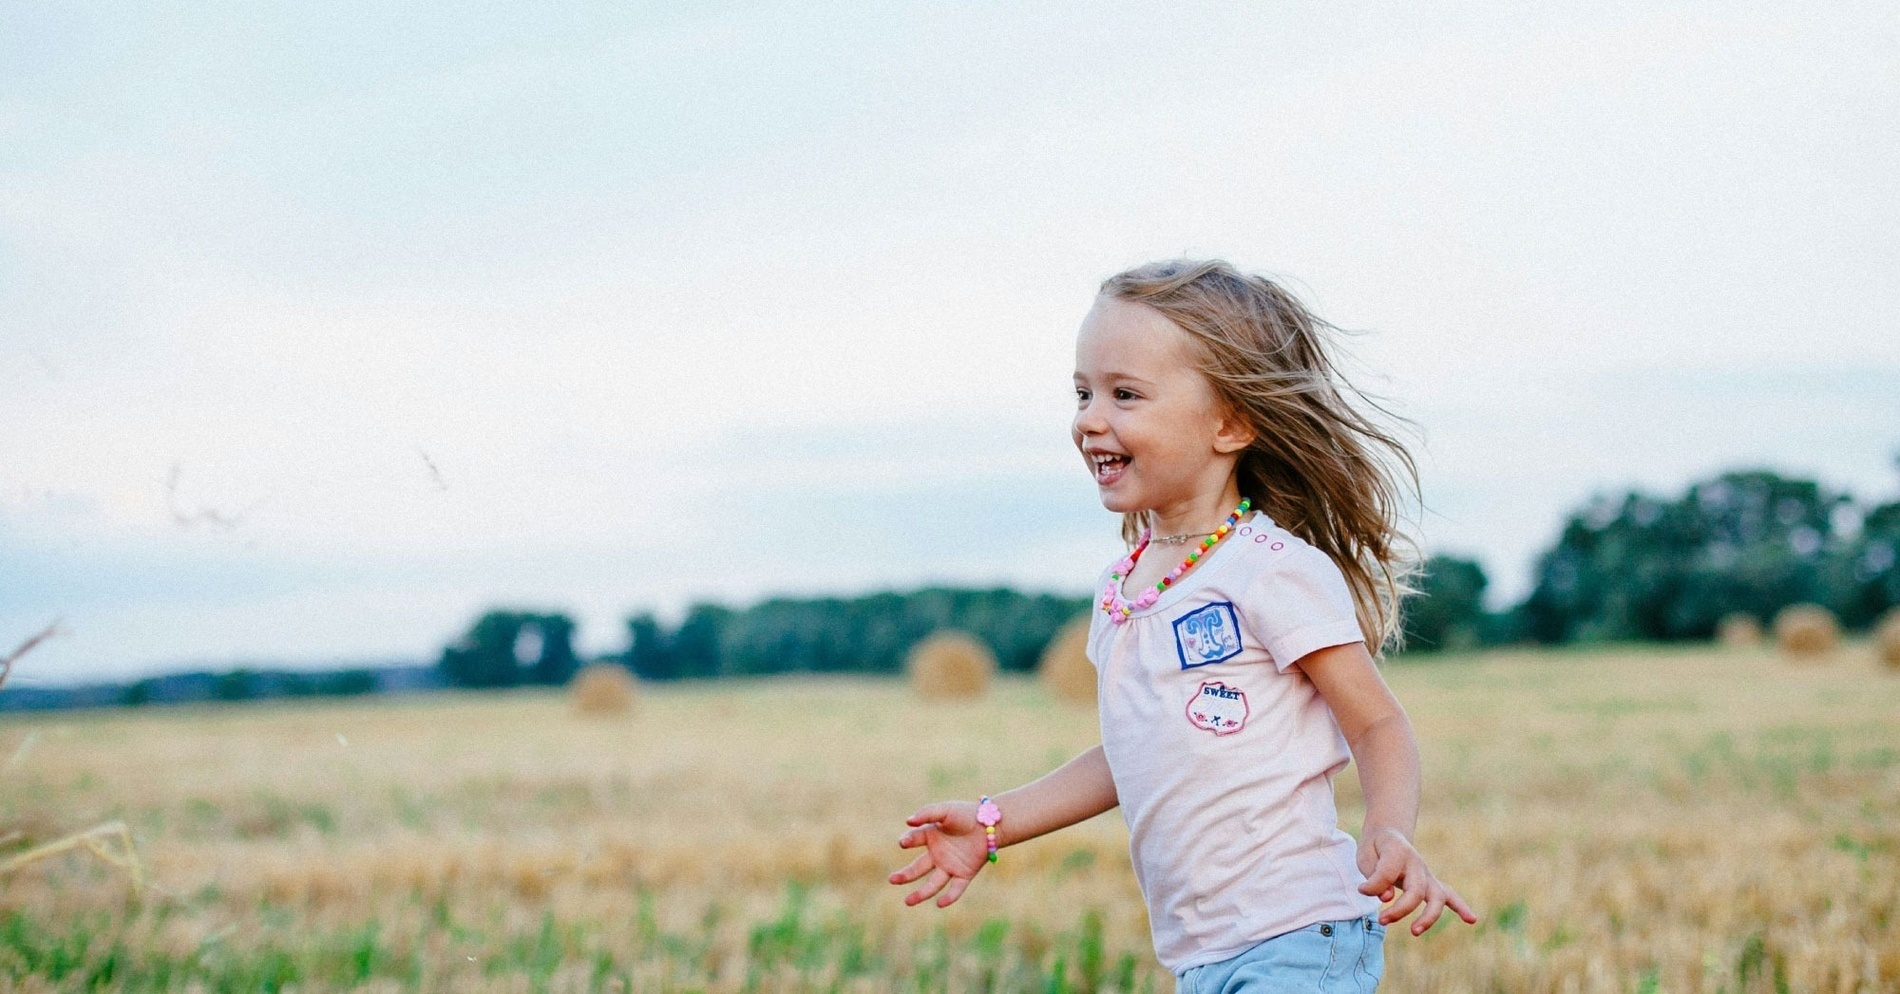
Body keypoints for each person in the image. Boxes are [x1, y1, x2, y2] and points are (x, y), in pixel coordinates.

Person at [888, 259, 1477, 992]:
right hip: (1201, 957)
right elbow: (1133, 750)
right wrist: (994, 820)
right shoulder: (1123, 589)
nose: (1089, 418)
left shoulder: (1271, 570)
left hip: (1298, 935)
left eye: (1125, 394)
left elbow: (1377, 726)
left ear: (1231, 423)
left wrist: (1389, 829)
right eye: (1083, 393)